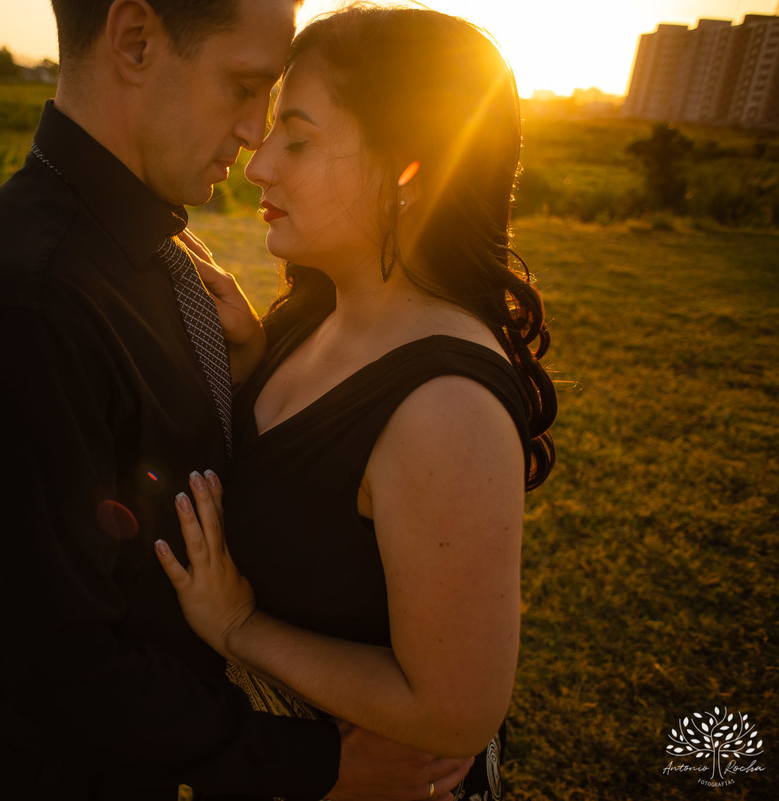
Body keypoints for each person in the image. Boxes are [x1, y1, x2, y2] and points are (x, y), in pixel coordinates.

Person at [0, 0, 473, 798]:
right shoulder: (19, 307)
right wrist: (323, 767)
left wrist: (249, 373)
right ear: (135, 40)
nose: (252, 138)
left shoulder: (155, 247)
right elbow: (59, 660)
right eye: (243, 88)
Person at [154, 7, 558, 801]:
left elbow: (453, 714)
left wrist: (240, 627)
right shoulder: (313, 315)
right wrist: (247, 364)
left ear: (408, 171)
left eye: (296, 138)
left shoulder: (445, 410)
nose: (257, 163)